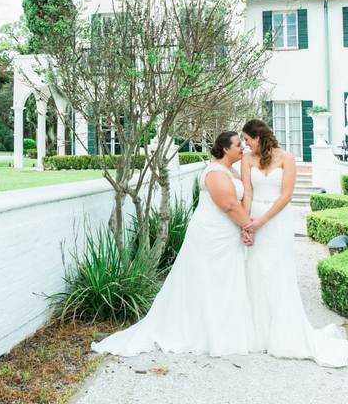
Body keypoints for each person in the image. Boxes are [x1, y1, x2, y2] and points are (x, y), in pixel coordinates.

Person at [92, 131, 255, 356]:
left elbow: (241, 199)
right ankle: (202, 331)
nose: (242, 148)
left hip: (226, 233)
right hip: (211, 234)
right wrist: (249, 226)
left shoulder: (232, 170)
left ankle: (223, 327)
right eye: (238, 145)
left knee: (223, 279)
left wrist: (244, 226)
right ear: (225, 148)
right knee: (207, 279)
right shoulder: (216, 172)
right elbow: (228, 205)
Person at [241, 118, 348, 367]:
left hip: (277, 221)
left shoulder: (286, 158)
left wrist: (262, 221)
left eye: (248, 140)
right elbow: (248, 193)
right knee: (256, 272)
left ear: (258, 137)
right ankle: (258, 333)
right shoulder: (247, 160)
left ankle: (282, 332)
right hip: (254, 217)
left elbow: (286, 195)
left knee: (278, 272)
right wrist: (246, 224)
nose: (246, 145)